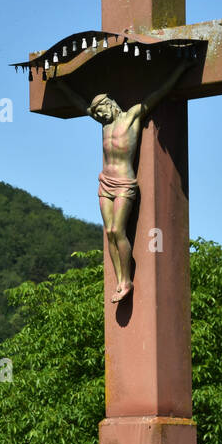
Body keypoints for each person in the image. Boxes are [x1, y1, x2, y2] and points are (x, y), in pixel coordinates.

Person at [65, 59, 192, 303]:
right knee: (108, 233)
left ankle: (126, 281)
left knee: (116, 229)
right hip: (105, 183)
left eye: (102, 109)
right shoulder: (104, 125)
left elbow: (159, 93)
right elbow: (79, 104)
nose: (100, 114)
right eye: (97, 112)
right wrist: (61, 87)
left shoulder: (132, 116)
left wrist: (180, 69)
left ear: (111, 103)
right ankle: (119, 279)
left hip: (124, 183)